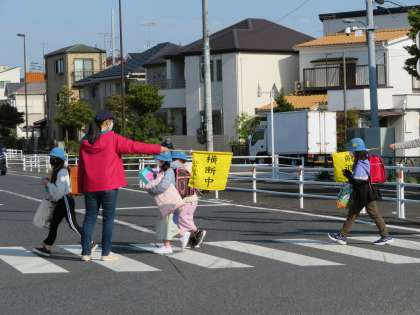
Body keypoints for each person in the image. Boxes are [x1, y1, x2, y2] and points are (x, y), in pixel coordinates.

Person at [78, 110, 165, 262]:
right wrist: (158, 148)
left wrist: (80, 187)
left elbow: (81, 167)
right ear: (107, 123)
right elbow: (135, 146)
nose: (113, 124)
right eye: (112, 122)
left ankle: (85, 252)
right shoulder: (113, 138)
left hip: (90, 186)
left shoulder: (85, 141)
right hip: (109, 185)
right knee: (108, 219)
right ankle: (106, 253)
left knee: (89, 218)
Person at [328, 138, 393, 246]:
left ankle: (386, 236)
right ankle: (342, 236)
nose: (351, 153)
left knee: (373, 214)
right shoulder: (365, 159)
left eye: (353, 151)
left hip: (365, 193)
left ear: (357, 151)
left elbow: (358, 181)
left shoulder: (361, 163)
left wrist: (348, 175)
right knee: (353, 213)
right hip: (365, 192)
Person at [33, 148, 85, 257]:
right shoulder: (57, 170)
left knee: (72, 224)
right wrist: (48, 183)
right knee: (54, 224)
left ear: (57, 159)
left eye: (52, 158)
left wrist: (47, 183)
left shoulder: (62, 171)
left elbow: (59, 191)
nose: (50, 159)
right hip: (61, 201)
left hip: (65, 199)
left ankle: (89, 241)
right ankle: (47, 246)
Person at [145, 152, 189, 255]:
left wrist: (152, 190)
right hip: (168, 201)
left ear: (163, 160)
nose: (156, 162)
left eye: (158, 160)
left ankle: (168, 245)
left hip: (169, 201)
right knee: (166, 223)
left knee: (167, 224)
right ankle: (182, 235)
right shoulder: (164, 170)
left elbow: (164, 185)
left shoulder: (168, 171)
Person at [171, 151, 207, 248]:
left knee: (181, 218)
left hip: (187, 199)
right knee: (184, 219)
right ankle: (194, 238)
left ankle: (193, 233)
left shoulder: (183, 168)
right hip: (189, 199)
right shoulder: (185, 167)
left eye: (174, 159)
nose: (173, 161)